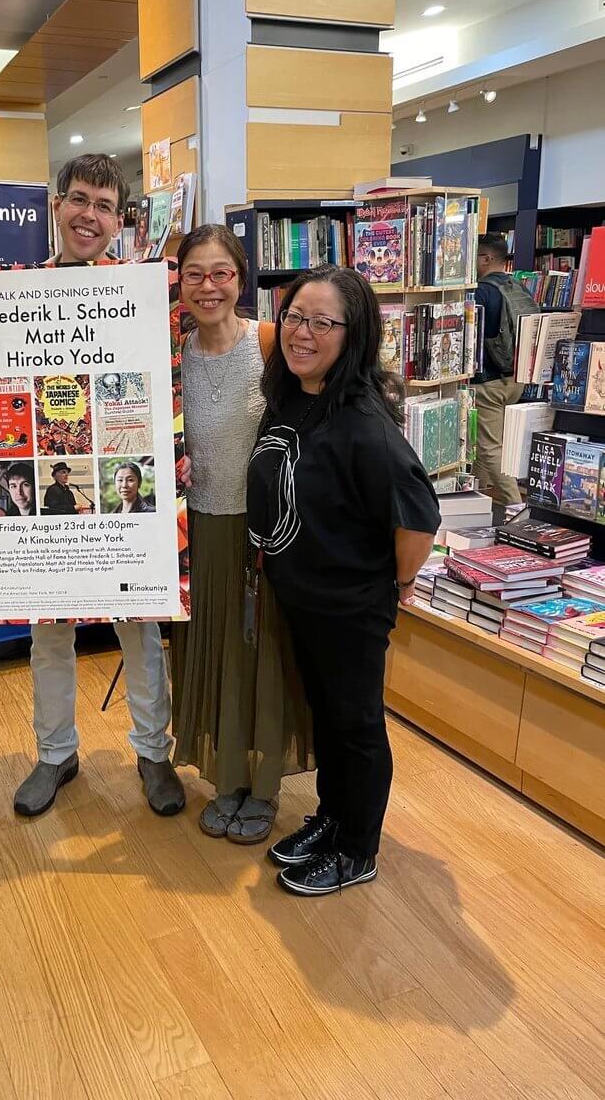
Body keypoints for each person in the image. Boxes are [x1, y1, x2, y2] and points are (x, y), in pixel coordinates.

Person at [248, 265, 439, 896]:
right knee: (328, 717)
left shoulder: (364, 422)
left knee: (355, 725)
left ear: (353, 334)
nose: (304, 332)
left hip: (349, 606)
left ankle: (359, 848)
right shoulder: (296, 395)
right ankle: (333, 817)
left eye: (324, 322)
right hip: (302, 595)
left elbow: (417, 515)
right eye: (296, 316)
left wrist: (398, 583)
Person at [17, 154, 184, 818]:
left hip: (125, 483)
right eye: (79, 199)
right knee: (48, 634)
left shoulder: (147, 290)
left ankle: (153, 752)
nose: (90, 216)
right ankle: (55, 754)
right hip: (46, 478)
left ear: (122, 220)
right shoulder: (18, 289)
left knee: (141, 628)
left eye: (106, 206)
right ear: (57, 205)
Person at [171, 225, 312, 845]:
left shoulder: (271, 344)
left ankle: (264, 784)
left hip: (263, 533)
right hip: (196, 528)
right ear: (178, 281)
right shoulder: (170, 354)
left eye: (220, 273)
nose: (208, 287)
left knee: (262, 652)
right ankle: (227, 777)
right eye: (194, 273)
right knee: (213, 648)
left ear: (241, 276)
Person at [472, 233, 536, 510]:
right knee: (489, 445)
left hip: (488, 380)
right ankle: (478, 496)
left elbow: (474, 337)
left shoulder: (482, 291)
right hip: (515, 377)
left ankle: (515, 507)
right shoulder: (518, 286)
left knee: (489, 447)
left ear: (486, 258)